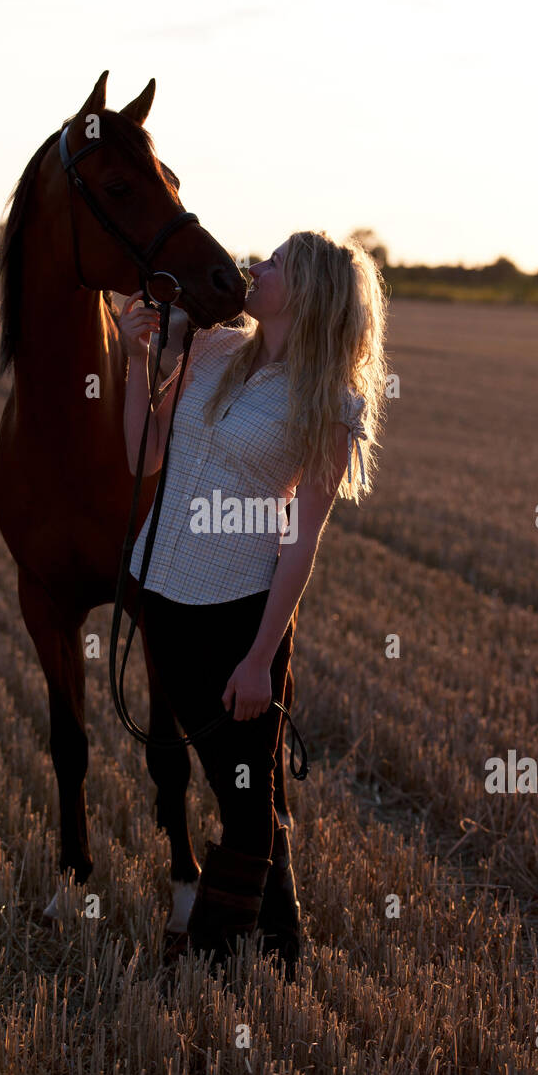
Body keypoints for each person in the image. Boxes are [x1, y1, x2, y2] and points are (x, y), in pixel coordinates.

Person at [120, 231, 389, 978]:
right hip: (162, 592)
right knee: (244, 783)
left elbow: (302, 540)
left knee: (243, 799)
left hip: (237, 610)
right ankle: (279, 948)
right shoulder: (210, 350)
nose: (256, 267)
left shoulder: (330, 400)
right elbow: (142, 454)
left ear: (308, 293)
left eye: (275, 264)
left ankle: (212, 961)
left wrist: (260, 659)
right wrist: (135, 361)